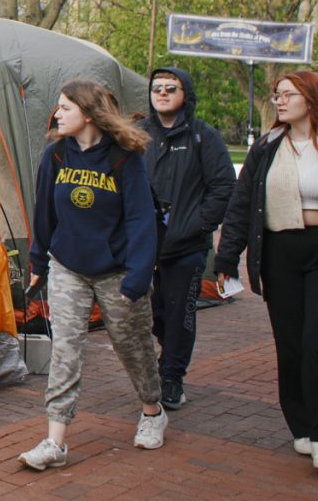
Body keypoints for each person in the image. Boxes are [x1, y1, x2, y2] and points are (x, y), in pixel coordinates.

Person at [214, 70, 318, 472]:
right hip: (281, 252)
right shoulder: (267, 147)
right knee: (291, 345)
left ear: (312, 98)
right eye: (276, 95)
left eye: (288, 94)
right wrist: (226, 258)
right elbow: (241, 204)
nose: (279, 101)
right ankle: (302, 426)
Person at [19, 79, 166, 471]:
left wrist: (137, 275)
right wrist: (38, 262)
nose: (57, 114)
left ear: (87, 112)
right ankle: (55, 441)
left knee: (131, 346)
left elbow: (140, 220)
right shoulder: (56, 155)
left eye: (65, 107)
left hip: (116, 271)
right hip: (68, 266)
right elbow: (43, 214)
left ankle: (152, 411)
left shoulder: (124, 157)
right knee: (65, 350)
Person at [141, 68, 236, 410]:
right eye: (157, 88)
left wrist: (198, 224)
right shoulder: (139, 134)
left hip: (187, 245)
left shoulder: (203, 137)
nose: (162, 93)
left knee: (180, 312)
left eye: (171, 88)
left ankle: (172, 377)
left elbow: (224, 186)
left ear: (185, 94)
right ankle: (167, 356)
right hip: (145, 247)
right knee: (155, 312)